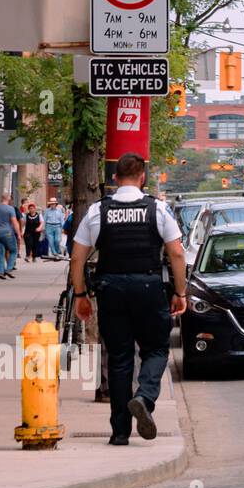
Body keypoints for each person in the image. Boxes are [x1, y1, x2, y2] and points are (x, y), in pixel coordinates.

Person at [69, 153, 187, 446]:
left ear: (115, 178)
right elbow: (177, 254)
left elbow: (76, 257)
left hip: (111, 290)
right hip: (148, 288)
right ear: (143, 177)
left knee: (120, 359)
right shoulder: (158, 210)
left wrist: (81, 295)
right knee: (156, 350)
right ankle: (144, 397)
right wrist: (180, 292)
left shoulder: (97, 212)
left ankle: (120, 432)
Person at [0, 194, 19, 279]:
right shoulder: (10, 208)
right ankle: (8, 269)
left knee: (0, 253)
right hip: (7, 232)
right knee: (14, 251)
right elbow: (14, 222)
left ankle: (0, 271)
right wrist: (18, 234)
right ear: (8, 198)